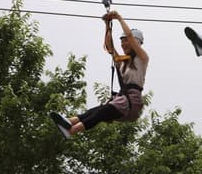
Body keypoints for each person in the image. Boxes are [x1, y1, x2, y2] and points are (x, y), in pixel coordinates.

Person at [50, 10, 149, 138]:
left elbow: (129, 36)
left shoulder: (142, 58)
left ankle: (72, 131)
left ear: (136, 42)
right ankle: (69, 122)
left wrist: (119, 18)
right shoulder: (123, 61)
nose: (123, 44)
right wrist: (107, 24)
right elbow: (109, 47)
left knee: (101, 112)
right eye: (122, 41)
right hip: (123, 99)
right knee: (95, 111)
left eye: (126, 41)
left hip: (131, 102)